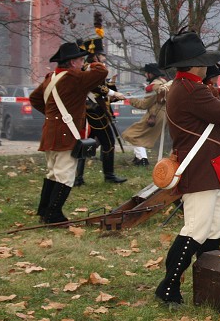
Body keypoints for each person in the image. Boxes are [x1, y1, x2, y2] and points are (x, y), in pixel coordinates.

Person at [154, 31, 220, 307]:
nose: (207, 65)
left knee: (215, 227)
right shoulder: (190, 89)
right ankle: (168, 287)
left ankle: (209, 282)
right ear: (193, 64)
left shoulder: (188, 87)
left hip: (209, 168)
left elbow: (216, 111)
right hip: (200, 169)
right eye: (202, 60)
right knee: (196, 229)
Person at [29, 41, 109, 224]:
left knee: (52, 173)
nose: (83, 64)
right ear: (73, 62)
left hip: (50, 132)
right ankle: (53, 215)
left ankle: (44, 211)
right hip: (66, 134)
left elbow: (34, 99)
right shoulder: (74, 77)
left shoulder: (51, 77)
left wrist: (53, 116)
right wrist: (92, 63)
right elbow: (102, 72)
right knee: (64, 175)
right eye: (81, 60)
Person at [74, 36, 127, 186]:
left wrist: (113, 87)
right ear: (94, 55)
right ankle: (108, 175)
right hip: (94, 112)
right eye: (101, 54)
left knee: (86, 144)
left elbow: (102, 91)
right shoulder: (92, 68)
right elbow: (95, 88)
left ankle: (78, 178)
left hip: (96, 111)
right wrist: (112, 92)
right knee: (107, 142)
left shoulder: (91, 67)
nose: (104, 57)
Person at [122, 63, 169, 166]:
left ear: (151, 74)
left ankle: (143, 160)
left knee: (132, 134)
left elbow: (143, 105)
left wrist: (130, 99)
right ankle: (139, 158)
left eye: (146, 73)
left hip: (154, 115)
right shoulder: (163, 82)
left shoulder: (153, 86)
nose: (145, 75)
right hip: (163, 115)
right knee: (137, 135)